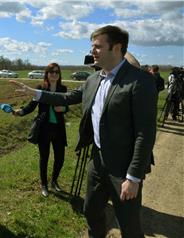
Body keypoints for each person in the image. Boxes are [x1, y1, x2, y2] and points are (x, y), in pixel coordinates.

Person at [10, 25, 157, 238]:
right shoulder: (93, 80)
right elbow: (66, 98)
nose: (92, 51)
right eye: (92, 46)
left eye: (97, 47)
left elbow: (145, 133)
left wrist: (133, 177)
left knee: (129, 224)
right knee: (91, 211)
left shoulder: (139, 81)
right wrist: (35, 93)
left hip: (124, 166)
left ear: (116, 48)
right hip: (97, 161)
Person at [12, 63, 68, 197]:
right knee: (44, 158)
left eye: (57, 72)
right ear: (47, 74)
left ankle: (54, 181)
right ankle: (44, 185)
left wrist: (64, 108)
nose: (54, 74)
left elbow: (67, 106)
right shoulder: (41, 88)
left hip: (59, 128)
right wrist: (20, 112)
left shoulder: (63, 89)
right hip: (44, 128)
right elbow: (31, 106)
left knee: (60, 158)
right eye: (51, 72)